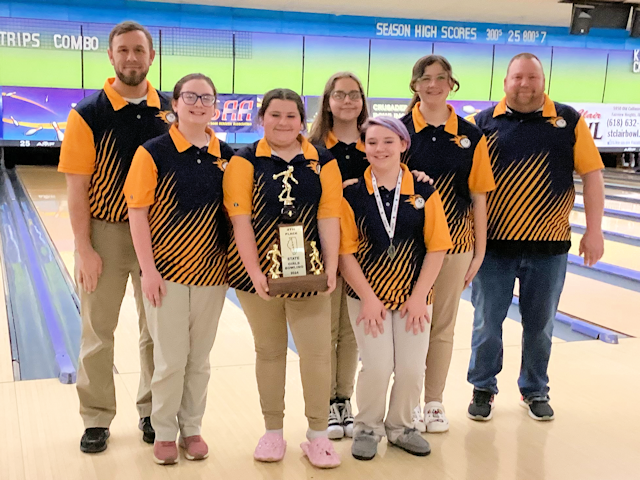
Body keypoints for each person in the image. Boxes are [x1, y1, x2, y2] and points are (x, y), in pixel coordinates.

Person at [467, 53, 604, 422]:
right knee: (486, 322)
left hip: (549, 246)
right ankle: (483, 388)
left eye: (532, 77)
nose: (524, 84)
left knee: (540, 324)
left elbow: (592, 175)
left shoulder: (568, 120)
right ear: (505, 80)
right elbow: (466, 185)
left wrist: (595, 230)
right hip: (493, 247)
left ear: (543, 80)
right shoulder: (482, 123)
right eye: (517, 78)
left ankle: (535, 389)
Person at [58, 21, 173, 454]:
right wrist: (83, 248)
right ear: (111, 56)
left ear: (151, 56)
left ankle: (150, 411)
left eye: (138, 50)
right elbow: (76, 188)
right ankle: (96, 417)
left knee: (156, 332)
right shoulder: (88, 114)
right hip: (104, 234)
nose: (130, 58)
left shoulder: (170, 111)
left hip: (159, 240)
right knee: (97, 332)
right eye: (122, 50)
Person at [223, 88, 342, 469]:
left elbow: (328, 216)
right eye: (275, 115)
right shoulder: (244, 162)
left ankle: (318, 436)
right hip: (255, 274)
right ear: (262, 118)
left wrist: (332, 265)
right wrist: (255, 271)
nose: (283, 122)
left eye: (291, 116)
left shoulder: (323, 162)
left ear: (302, 120)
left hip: (309, 273)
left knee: (317, 354)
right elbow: (239, 221)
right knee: (270, 351)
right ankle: (273, 432)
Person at [124, 73, 234, 465]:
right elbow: (137, 214)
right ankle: (165, 431)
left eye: (207, 97)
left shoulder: (230, 156)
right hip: (165, 274)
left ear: (215, 106)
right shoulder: (152, 152)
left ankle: (192, 428)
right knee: (170, 359)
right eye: (190, 96)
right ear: (175, 104)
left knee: (199, 360)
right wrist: (147, 271)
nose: (199, 103)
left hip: (213, 276)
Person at [339, 116, 452, 461]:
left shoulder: (424, 191)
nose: (380, 148)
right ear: (364, 147)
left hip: (414, 299)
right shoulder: (353, 193)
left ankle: (402, 427)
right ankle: (367, 428)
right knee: (376, 366)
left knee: (411, 368)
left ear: (403, 145)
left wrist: (419, 297)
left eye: (388, 141)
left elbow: (437, 247)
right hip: (366, 297)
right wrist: (369, 300)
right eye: (372, 142)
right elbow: (345, 252)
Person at [401, 55, 496, 433]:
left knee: (442, 327)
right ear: (415, 85)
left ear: (451, 83)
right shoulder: (401, 129)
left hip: (457, 243)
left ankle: (434, 402)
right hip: (407, 245)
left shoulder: (471, 135)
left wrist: (480, 250)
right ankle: (404, 400)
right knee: (408, 324)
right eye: (426, 78)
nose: (433, 84)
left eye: (441, 78)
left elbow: (479, 196)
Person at [308, 72, 369, 439]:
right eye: (339, 94)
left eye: (354, 94)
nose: (347, 100)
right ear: (327, 101)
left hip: (365, 253)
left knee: (352, 332)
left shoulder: (376, 141)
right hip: (324, 251)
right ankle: (325, 400)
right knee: (325, 329)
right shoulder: (312, 148)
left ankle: (343, 398)